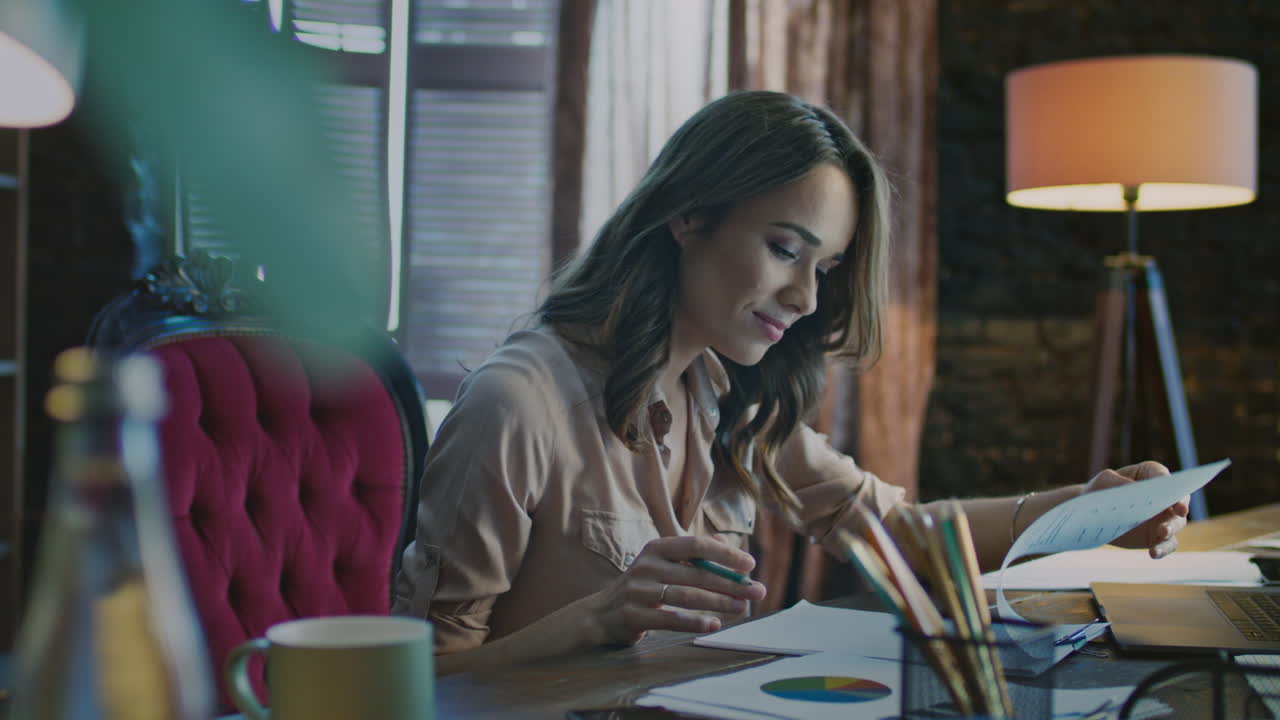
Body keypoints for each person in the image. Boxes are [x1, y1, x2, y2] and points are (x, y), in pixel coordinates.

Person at [392, 90, 1189, 674]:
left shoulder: (725, 393)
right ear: (689, 215)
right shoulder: (517, 404)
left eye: (825, 268)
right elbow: (418, 679)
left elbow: (898, 533)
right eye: (784, 249)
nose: (807, 299)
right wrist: (598, 617)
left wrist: (1087, 510)